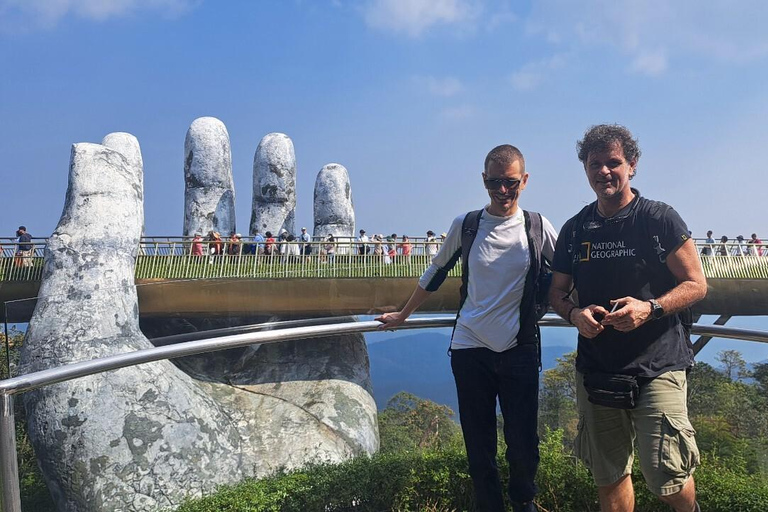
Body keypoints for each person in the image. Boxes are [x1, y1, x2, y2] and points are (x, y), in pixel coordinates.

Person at [377, 144, 556, 512]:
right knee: (479, 445)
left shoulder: (537, 226)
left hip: (519, 347)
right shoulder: (467, 224)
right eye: (494, 183)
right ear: (483, 181)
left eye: (510, 183)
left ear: (524, 180)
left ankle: (523, 501)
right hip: (470, 347)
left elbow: (569, 273)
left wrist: (590, 308)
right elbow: (437, 270)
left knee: (523, 442)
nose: (503, 191)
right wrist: (403, 314)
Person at [548, 124, 707, 512]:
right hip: (598, 368)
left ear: (632, 165)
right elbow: (555, 292)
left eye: (613, 162)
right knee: (609, 476)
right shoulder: (574, 229)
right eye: (595, 164)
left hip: (659, 364)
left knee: (666, 476)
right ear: (584, 169)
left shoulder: (658, 219)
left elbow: (696, 284)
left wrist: (648, 308)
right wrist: (574, 313)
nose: (604, 171)